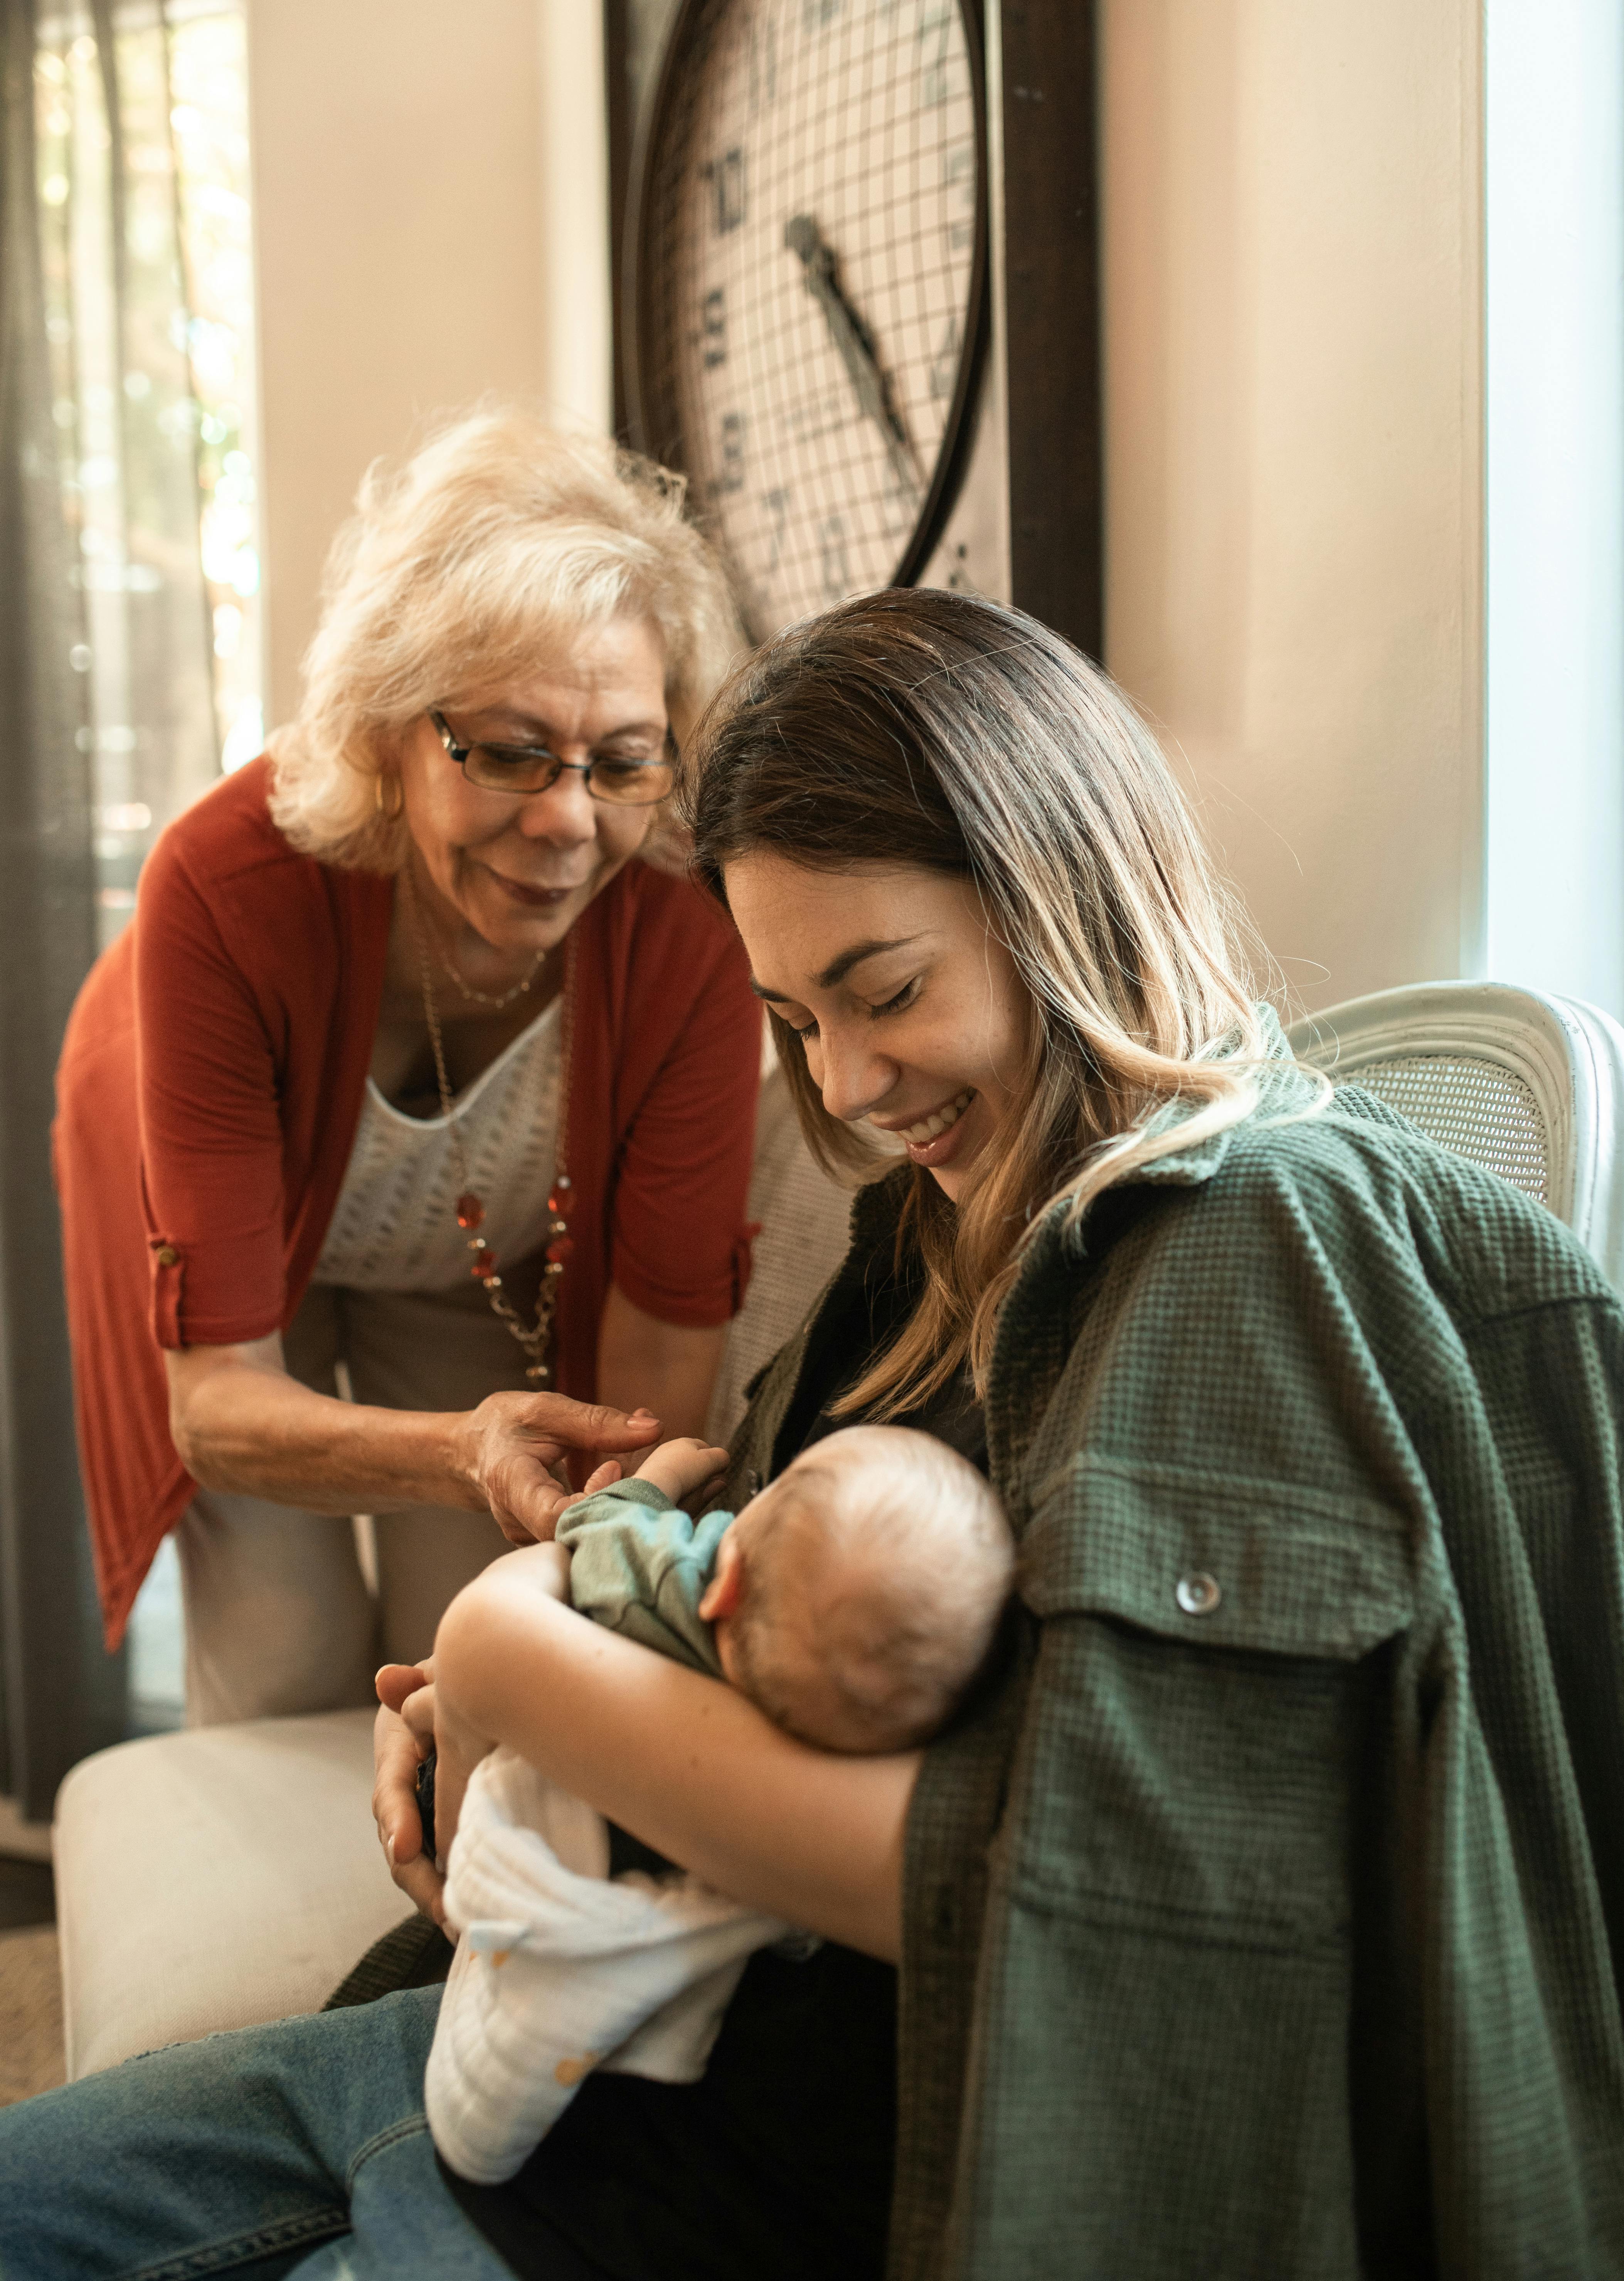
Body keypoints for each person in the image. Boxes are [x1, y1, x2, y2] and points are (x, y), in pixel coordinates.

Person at [7, 588, 1624, 2280]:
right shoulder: (929, 1243)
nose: (843, 1086)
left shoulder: (1250, 1235)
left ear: (1055, 888)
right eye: (794, 1018)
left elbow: (1056, 1891)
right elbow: (705, 1562)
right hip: (508, 2060)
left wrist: (499, 1652)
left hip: (704, 2197)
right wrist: (490, 1727)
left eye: (884, 989)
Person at [53, 406, 764, 1720]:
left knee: (486, 1626)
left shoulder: (690, 925)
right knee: (284, 1651)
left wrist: (581, 1615)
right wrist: (461, 1448)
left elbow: (654, 1387)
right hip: (227, 1233)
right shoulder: (223, 886)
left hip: (470, 1261)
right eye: (506, 751)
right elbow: (218, 1405)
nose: (564, 821)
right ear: (388, 731)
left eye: (620, 760)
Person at [425, 1425, 1014, 2186]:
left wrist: (662, 1477)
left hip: (556, 1828)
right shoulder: (868, 1734)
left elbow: (596, 1527)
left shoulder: (675, 1580)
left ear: (727, 1578)